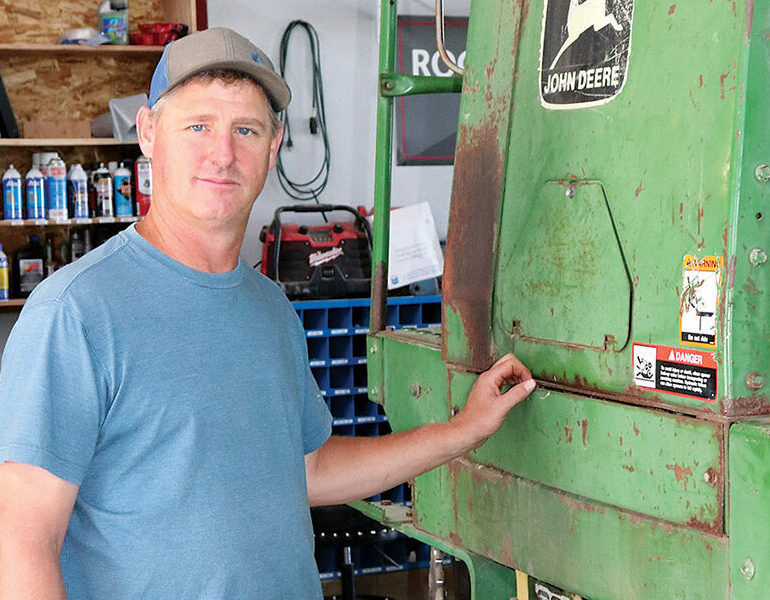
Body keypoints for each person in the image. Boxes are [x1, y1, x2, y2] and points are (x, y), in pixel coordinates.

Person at [0, 28, 535, 599]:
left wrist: (464, 430)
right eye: (198, 125)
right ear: (149, 133)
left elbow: (309, 469)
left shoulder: (270, 308)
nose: (222, 154)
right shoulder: (75, 313)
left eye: (245, 130)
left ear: (275, 143)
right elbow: (21, 541)